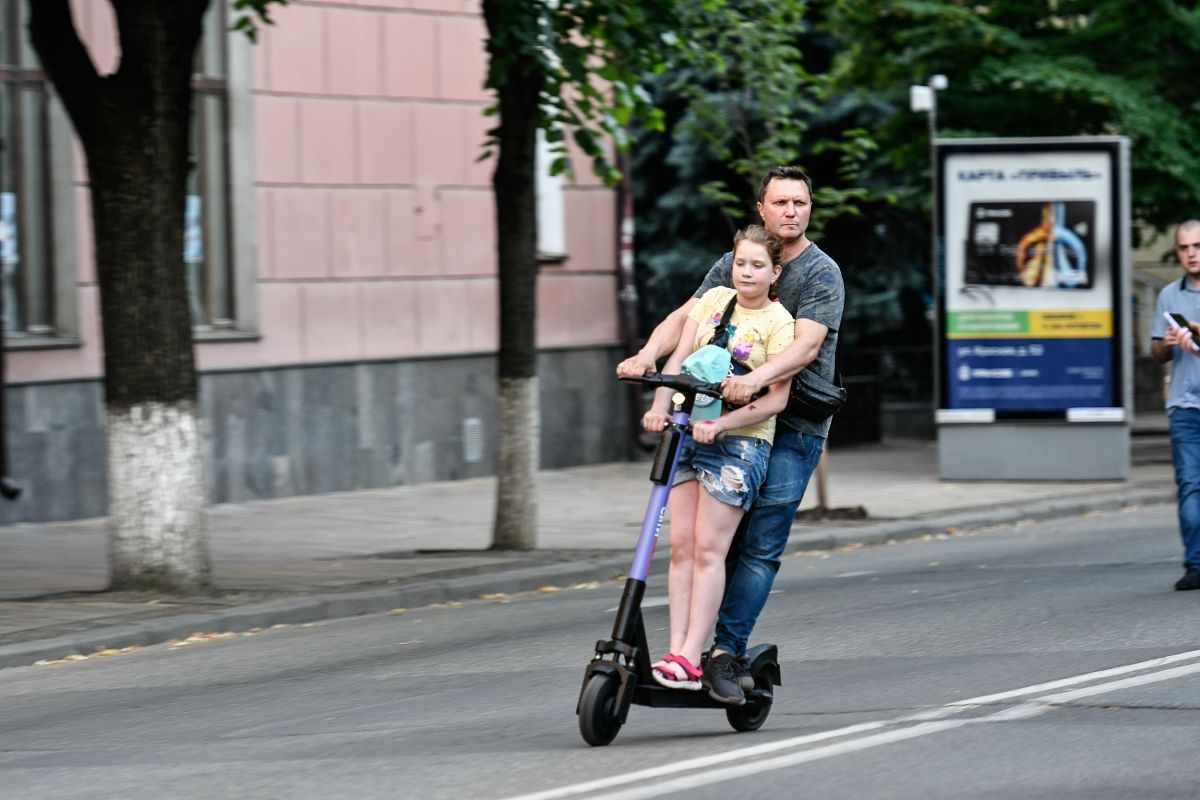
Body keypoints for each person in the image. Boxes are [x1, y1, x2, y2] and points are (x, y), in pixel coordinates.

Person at [618, 166, 844, 703]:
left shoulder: (820, 272)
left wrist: (753, 381)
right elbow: (687, 318)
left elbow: (806, 348)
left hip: (794, 421)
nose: (792, 211)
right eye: (781, 202)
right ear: (762, 209)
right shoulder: (735, 262)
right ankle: (689, 650)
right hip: (721, 414)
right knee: (708, 543)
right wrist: (648, 356)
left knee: (759, 545)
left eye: (801, 203)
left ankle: (724, 652)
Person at [644, 225, 794, 704]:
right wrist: (660, 405)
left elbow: (776, 400)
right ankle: (675, 655)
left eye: (757, 265)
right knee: (682, 548)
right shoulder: (711, 302)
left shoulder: (779, 323)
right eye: (740, 262)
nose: (745, 272)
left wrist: (725, 425)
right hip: (690, 435)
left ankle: (692, 654)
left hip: (740, 446)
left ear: (775, 272)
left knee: (710, 550)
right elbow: (681, 360)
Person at [1151, 219, 1200, 591]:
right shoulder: (1169, 294)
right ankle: (1195, 565)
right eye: (1184, 248)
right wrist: (1168, 342)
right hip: (1185, 406)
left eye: (1196, 246)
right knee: (1190, 485)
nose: (1191, 254)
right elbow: (1156, 354)